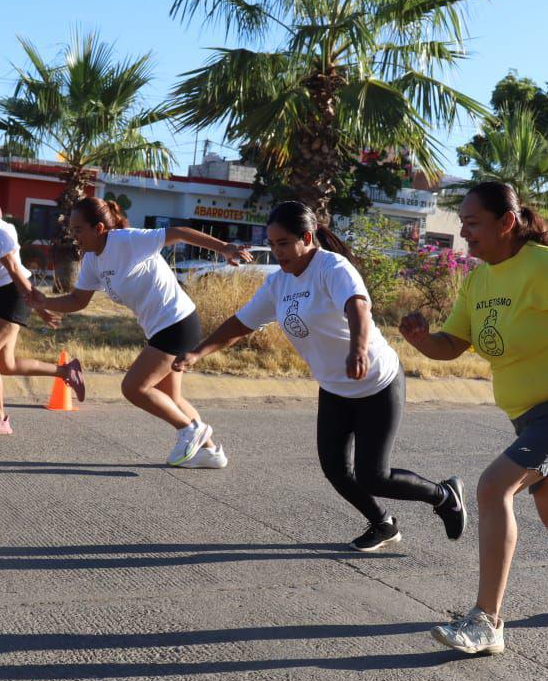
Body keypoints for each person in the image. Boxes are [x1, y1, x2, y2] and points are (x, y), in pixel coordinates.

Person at [398, 181, 548, 654]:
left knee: (494, 487)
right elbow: (454, 344)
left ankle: (486, 621)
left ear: (507, 222)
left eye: (473, 223)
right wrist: (423, 341)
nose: (465, 233)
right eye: (463, 224)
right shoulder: (480, 280)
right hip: (530, 415)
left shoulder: (547, 267)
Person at [175, 200, 467, 551]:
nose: (277, 252)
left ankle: (443, 495)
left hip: (377, 382)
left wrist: (358, 350)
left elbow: (357, 306)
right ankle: (383, 524)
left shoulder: (332, 267)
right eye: (272, 244)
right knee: (336, 470)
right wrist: (198, 352)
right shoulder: (278, 283)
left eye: (284, 243)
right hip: (334, 387)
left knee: (374, 476)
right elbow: (241, 323)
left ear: (306, 238)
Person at [29, 198, 245, 467]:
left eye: (78, 229)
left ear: (98, 228)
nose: (74, 236)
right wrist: (44, 302)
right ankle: (211, 452)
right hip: (161, 327)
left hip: (177, 322)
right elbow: (77, 300)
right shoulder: (92, 260)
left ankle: (189, 430)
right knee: (171, 398)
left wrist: (224, 247)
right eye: (72, 230)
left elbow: (179, 233)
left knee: (133, 387)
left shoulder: (127, 241)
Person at [0, 174, 84, 436]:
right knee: (6, 365)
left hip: (14, 294)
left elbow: (14, 270)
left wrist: (39, 306)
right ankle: (66, 371)